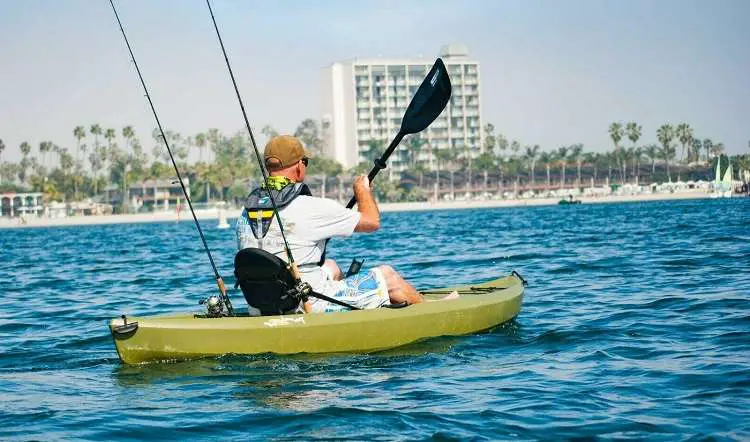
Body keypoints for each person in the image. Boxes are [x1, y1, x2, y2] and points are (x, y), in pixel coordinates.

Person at [236, 135, 423, 313]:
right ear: (300, 166)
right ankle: (429, 310)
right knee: (387, 275)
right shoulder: (312, 207)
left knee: (331, 266)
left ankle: (354, 311)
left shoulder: (246, 212)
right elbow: (371, 221)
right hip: (307, 305)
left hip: (261, 306)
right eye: (305, 162)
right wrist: (362, 191)